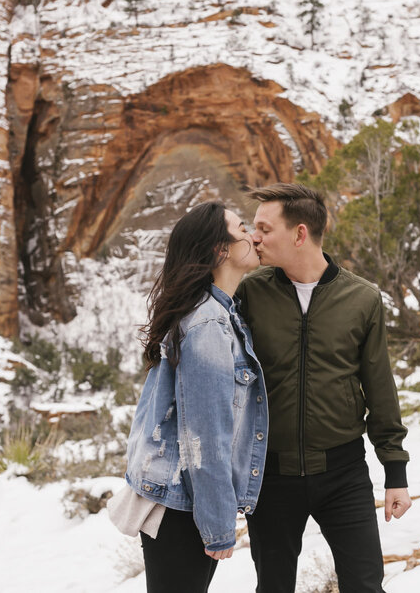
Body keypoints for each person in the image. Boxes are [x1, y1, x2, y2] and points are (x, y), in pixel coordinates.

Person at [236, 183, 412, 593]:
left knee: (366, 585)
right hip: (271, 476)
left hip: (343, 474)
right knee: (273, 588)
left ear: (299, 234)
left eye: (264, 228)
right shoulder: (250, 292)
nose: (254, 237)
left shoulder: (362, 298)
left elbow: (380, 388)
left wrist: (395, 473)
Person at [110, 201, 268, 593]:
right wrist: (218, 525)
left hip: (180, 500)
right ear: (221, 249)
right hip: (181, 506)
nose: (252, 235)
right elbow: (205, 435)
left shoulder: (218, 313)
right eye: (242, 227)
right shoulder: (209, 324)